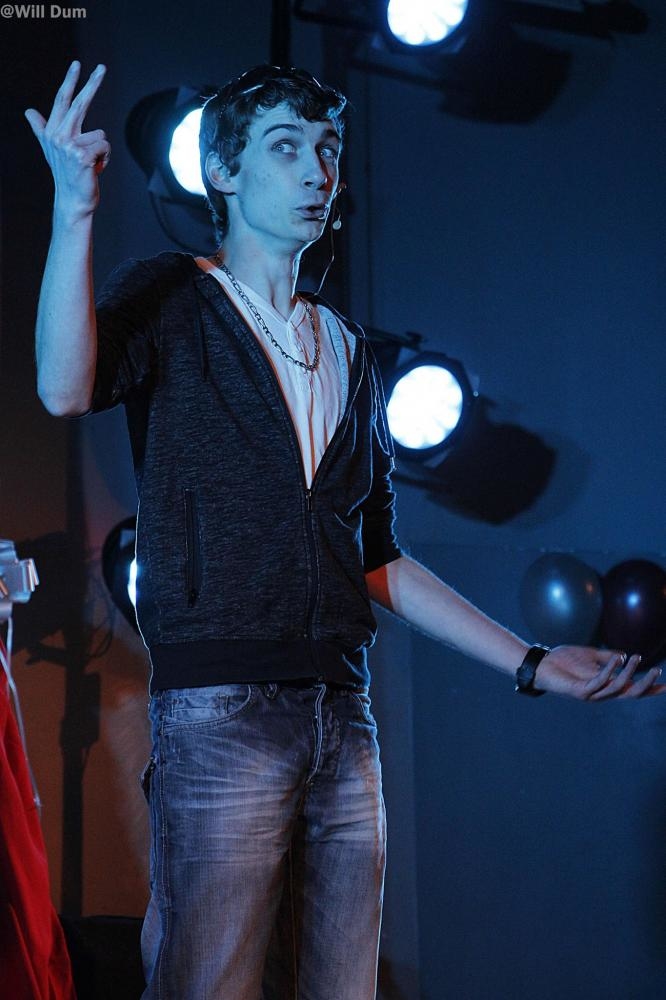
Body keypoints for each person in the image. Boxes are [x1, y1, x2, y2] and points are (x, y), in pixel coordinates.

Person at [26, 60, 664, 1000]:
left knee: (342, 987)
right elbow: (63, 387)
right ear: (224, 171)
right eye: (286, 148)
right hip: (223, 710)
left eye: (328, 149)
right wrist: (75, 208)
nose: (318, 171)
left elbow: (375, 557)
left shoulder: (352, 352)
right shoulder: (172, 298)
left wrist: (532, 662)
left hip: (342, 716)